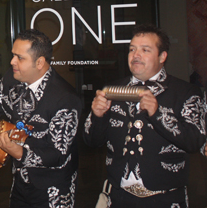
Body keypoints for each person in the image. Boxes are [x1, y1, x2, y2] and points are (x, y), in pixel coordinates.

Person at [83, 24, 207, 207]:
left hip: (165, 198)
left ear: (162, 56)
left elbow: (194, 141)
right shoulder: (113, 90)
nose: (136, 55)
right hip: (118, 197)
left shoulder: (187, 93)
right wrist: (97, 116)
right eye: (132, 49)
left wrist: (158, 114)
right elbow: (91, 141)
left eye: (145, 50)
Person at [0, 29, 81, 207]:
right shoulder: (11, 79)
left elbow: (58, 154)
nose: (12, 62)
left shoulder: (65, 99)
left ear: (39, 62)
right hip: (19, 185)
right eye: (13, 55)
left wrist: (19, 153)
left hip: (53, 190)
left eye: (19, 58)